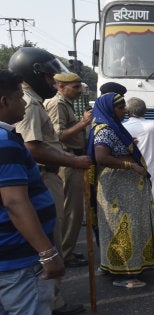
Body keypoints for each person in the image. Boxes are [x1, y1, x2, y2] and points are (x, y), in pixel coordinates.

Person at [9, 47, 90, 315]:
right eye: (48, 78)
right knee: (50, 236)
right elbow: (33, 147)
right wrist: (74, 161)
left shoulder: (32, 101)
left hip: (51, 172)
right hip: (46, 173)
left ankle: (53, 299)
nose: (52, 83)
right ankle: (52, 302)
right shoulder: (31, 104)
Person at [0, 69, 65, 315]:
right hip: (20, 259)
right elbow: (15, 202)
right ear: (4, 102)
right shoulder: (5, 142)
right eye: (19, 97)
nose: (24, 103)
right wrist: (47, 253)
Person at [88, 93, 154, 288]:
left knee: (122, 226)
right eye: (120, 107)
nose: (124, 111)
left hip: (124, 188)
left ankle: (113, 266)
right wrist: (131, 166)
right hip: (119, 189)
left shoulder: (111, 126)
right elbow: (101, 157)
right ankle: (125, 274)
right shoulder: (106, 129)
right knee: (124, 227)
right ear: (109, 109)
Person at [44, 72, 91, 268]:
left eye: (79, 86)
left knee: (75, 210)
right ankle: (63, 253)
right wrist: (83, 123)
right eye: (75, 87)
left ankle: (67, 251)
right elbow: (58, 135)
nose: (79, 91)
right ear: (60, 87)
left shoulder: (66, 103)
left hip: (72, 158)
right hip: (66, 159)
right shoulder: (57, 104)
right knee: (70, 210)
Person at [123, 98, 154, 233]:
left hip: (132, 171)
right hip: (153, 171)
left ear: (127, 112)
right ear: (145, 111)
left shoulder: (123, 128)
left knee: (135, 208)